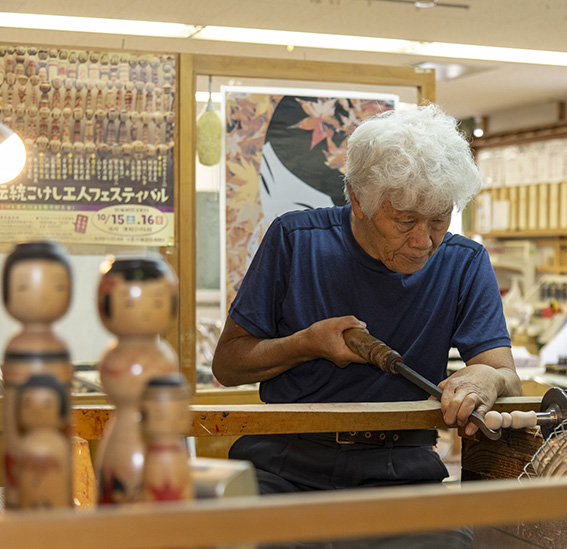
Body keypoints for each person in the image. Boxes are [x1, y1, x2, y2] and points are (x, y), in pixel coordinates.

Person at [212, 103, 521, 503]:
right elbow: (228, 364)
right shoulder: (296, 240)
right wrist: (306, 344)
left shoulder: (464, 262)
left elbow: (506, 375)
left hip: (400, 468)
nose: (424, 241)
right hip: (284, 461)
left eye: (439, 220)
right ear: (359, 201)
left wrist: (486, 379)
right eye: (406, 221)